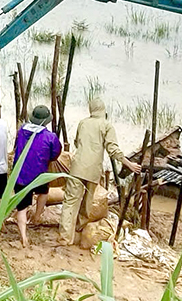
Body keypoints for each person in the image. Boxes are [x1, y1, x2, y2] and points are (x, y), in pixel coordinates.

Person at [59, 98, 141, 246]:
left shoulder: (83, 123)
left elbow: (77, 143)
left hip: (77, 168)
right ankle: (79, 229)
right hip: (93, 170)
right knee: (87, 203)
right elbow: (113, 150)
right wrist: (129, 164)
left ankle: (65, 237)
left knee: (70, 202)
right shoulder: (107, 125)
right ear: (104, 110)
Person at [12, 105, 62, 247]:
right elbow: (55, 153)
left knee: (21, 207)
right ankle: (37, 216)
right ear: (46, 121)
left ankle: (23, 236)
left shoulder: (22, 130)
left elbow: (16, 147)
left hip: (20, 175)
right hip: (39, 174)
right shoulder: (50, 137)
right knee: (43, 192)